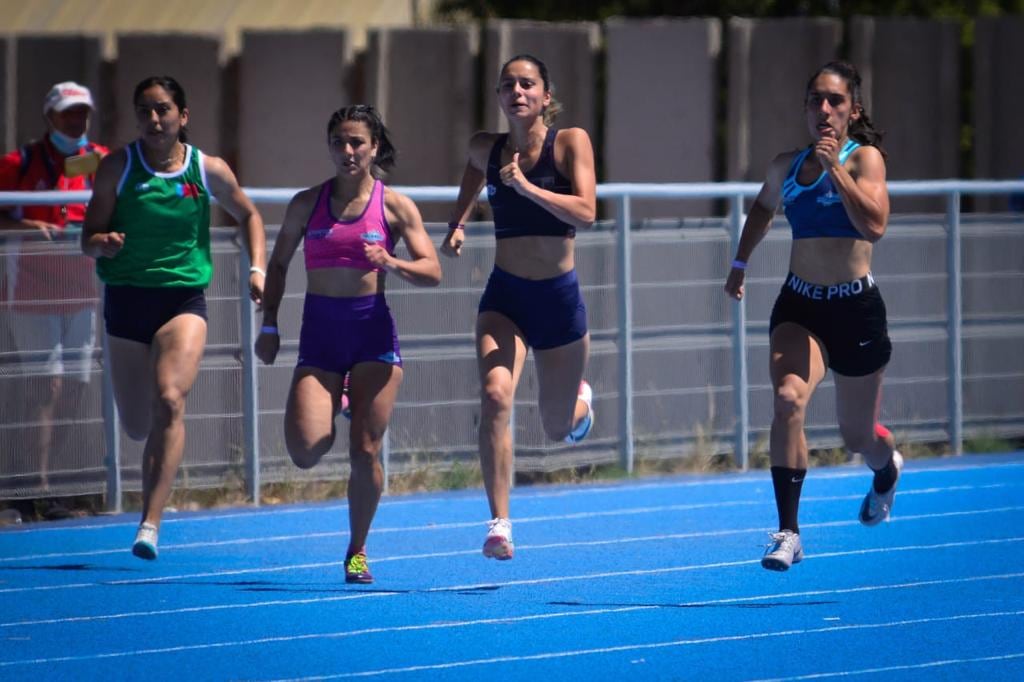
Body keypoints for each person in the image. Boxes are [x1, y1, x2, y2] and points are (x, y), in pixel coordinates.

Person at [724, 61, 902, 572]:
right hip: (800, 307)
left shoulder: (864, 160)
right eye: (816, 101)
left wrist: (836, 171)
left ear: (853, 110)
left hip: (856, 311)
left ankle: (886, 468)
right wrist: (740, 262)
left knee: (857, 437)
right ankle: (788, 531)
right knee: (787, 400)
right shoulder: (784, 166)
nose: (824, 110)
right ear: (805, 108)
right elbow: (761, 208)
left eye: (835, 102)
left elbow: (875, 225)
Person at [254, 105, 441, 584]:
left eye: (357, 142)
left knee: (365, 449)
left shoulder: (395, 206)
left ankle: (357, 549)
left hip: (372, 338)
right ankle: (338, 396)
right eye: (339, 141)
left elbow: (432, 270)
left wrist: (391, 263)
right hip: (320, 339)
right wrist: (269, 325)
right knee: (306, 449)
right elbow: (276, 266)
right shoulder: (306, 203)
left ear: (374, 147)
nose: (348, 151)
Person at [82, 76, 266, 559]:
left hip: (182, 301)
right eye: (144, 111)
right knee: (138, 425)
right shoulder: (117, 167)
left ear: (183, 116)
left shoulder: (207, 169)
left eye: (163, 109)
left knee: (170, 400)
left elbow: (248, 214)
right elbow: (88, 235)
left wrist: (257, 267)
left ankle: (150, 522)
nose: (154, 120)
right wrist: (101, 243)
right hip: (126, 301)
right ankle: (148, 492)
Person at [442, 54, 596, 561]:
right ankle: (500, 523)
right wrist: (458, 221)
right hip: (505, 298)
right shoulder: (485, 148)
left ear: (545, 96)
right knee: (495, 395)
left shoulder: (569, 142)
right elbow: (472, 170)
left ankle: (581, 404)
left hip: (557, 302)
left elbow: (589, 212)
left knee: (556, 427)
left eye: (528, 84)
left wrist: (524, 187)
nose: (517, 92)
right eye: (507, 84)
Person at [0, 81, 109, 498]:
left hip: (82, 291)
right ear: (50, 117)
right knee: (47, 385)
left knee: (76, 388)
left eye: (82, 112)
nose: (76, 120)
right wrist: (25, 226)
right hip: (31, 292)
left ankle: (53, 480)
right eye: (68, 113)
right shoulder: (20, 162)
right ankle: (36, 487)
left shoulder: (99, 159)